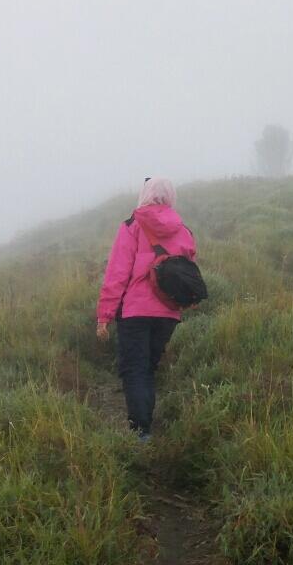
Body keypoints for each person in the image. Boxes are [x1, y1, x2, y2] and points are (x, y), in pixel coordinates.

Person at [96, 177, 197, 442]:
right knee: (148, 369)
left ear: (145, 195)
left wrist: (104, 315)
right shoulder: (183, 230)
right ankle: (145, 427)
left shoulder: (132, 225)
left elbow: (117, 273)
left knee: (135, 369)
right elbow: (188, 274)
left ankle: (141, 432)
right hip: (168, 312)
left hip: (135, 312)